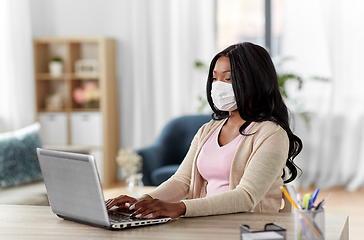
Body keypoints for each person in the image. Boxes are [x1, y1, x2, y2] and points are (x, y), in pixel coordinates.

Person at [105, 42, 303, 220]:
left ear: (254, 82)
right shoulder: (208, 130)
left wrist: (181, 208)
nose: (217, 87)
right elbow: (182, 181)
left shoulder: (271, 134)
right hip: (206, 221)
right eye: (215, 78)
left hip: (247, 228)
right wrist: (142, 203)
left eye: (227, 79)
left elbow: (246, 197)